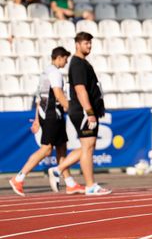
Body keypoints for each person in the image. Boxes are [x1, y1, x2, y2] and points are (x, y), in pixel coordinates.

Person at [9, 47, 85, 196]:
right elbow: (57, 94)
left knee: (62, 147)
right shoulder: (55, 73)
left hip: (46, 113)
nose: (66, 62)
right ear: (59, 57)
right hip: (52, 114)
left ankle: (70, 183)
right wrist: (70, 108)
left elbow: (40, 98)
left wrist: (37, 119)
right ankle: (19, 178)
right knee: (46, 149)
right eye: (65, 59)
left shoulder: (45, 72)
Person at [48, 32, 111, 196]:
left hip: (84, 110)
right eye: (85, 43)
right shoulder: (77, 64)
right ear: (77, 44)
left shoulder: (83, 63)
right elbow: (80, 89)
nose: (89, 46)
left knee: (87, 147)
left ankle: (58, 169)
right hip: (83, 111)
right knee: (88, 148)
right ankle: (90, 185)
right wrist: (89, 112)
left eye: (90, 43)